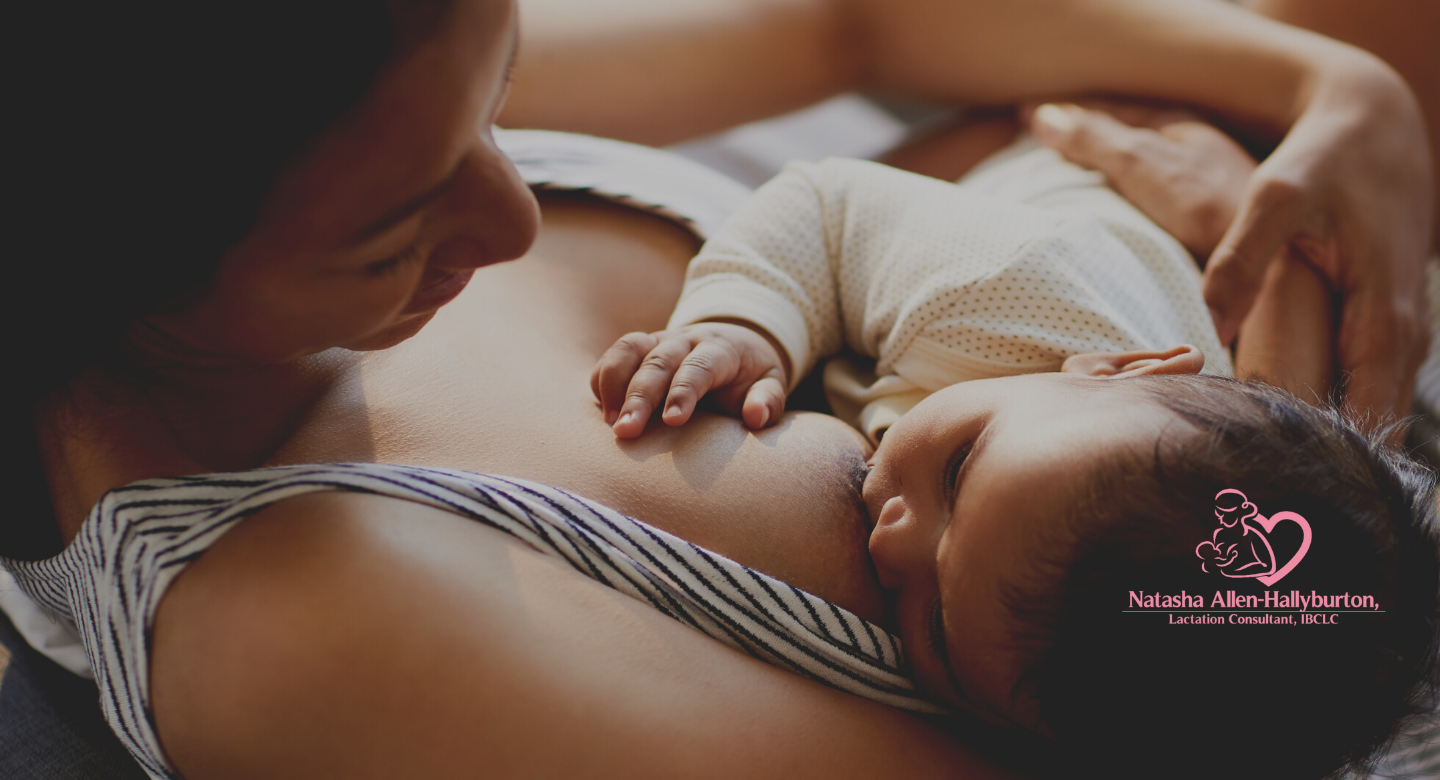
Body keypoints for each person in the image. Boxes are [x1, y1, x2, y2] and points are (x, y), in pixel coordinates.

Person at [5, 1, 1435, 779]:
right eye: (395, 234)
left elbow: (847, 27)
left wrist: (1333, 86)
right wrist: (1284, 372)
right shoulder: (306, 617)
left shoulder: (364, 55)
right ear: (102, 269)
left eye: (500, 78)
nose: (505, 213)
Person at [588, 140, 1440, 777]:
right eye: (959, 469)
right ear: (1112, 368)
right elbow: (829, 209)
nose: (891, 543)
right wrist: (748, 323)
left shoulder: (1110, 647)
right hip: (1046, 169)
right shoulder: (1003, 291)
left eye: (937, 628)